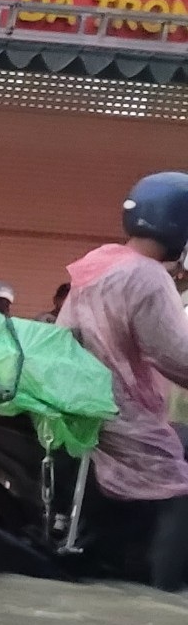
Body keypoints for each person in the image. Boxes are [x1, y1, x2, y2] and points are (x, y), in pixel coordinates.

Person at [56, 172, 188, 587]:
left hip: (76, 397)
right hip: (119, 407)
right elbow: (173, 353)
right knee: (178, 490)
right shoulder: (148, 277)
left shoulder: (98, 262)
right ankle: (166, 594)